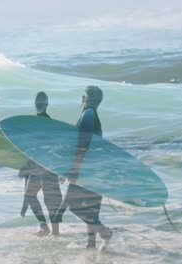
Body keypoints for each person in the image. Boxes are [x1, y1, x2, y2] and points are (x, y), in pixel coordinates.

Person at [53, 86, 113, 250]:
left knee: (74, 205)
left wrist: (73, 169)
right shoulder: (93, 116)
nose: (82, 99)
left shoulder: (88, 115)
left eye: (84, 96)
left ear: (85, 99)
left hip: (86, 169)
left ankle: (104, 232)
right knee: (92, 209)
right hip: (96, 168)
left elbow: (82, 145)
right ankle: (91, 243)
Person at [18, 91, 63, 236]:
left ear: (47, 104)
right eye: (38, 102)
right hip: (39, 166)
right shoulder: (36, 122)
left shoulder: (45, 123)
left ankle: (54, 232)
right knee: (31, 195)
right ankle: (45, 226)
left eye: (41, 102)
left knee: (50, 200)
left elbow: (45, 147)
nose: (39, 104)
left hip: (46, 167)